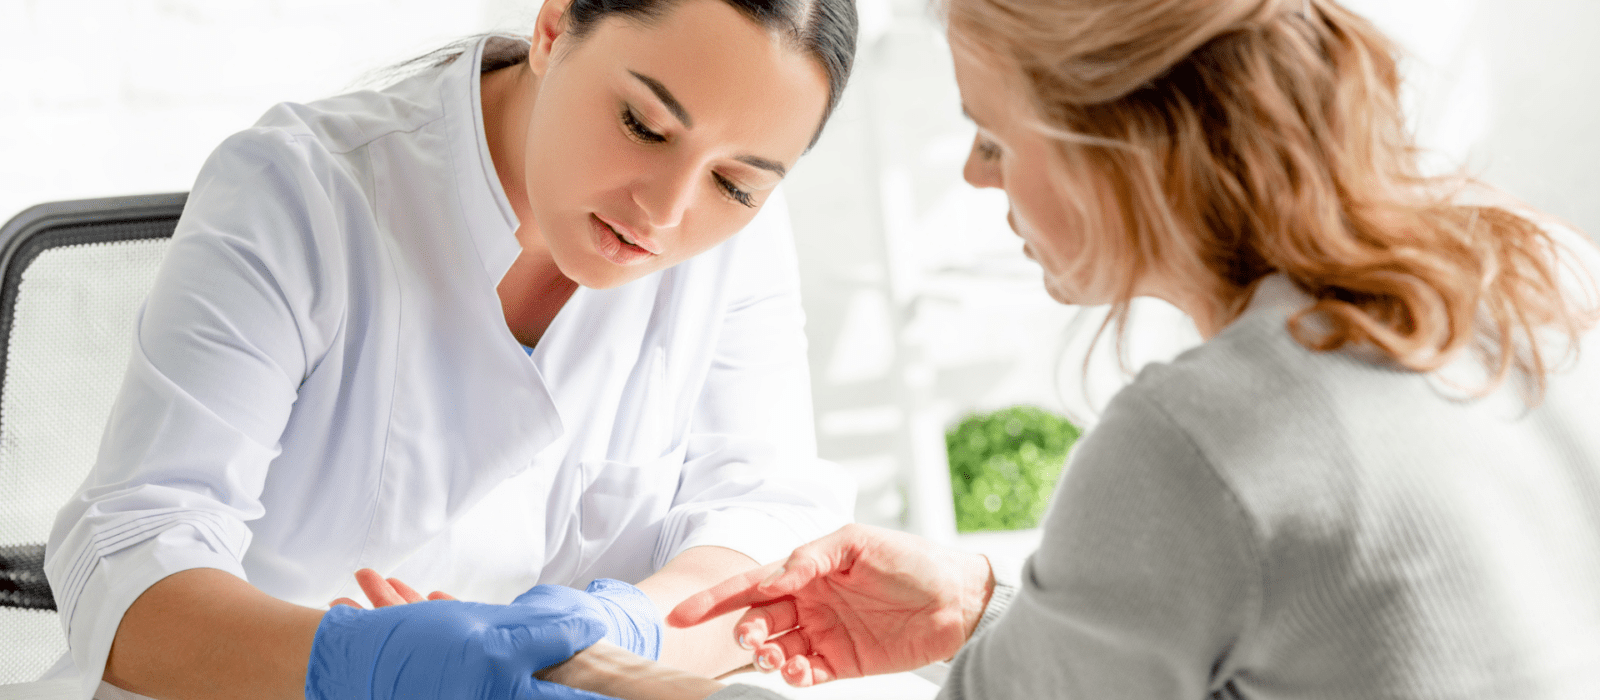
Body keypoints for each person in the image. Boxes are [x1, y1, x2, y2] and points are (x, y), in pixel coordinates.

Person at [426, 0, 1600, 697]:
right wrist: (982, 608)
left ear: (1106, 144)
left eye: (992, 135)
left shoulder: (1194, 440)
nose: (975, 175)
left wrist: (598, 675)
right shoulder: (1542, 268)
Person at [40, 0, 858, 696]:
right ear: (553, 29)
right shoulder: (299, 192)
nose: (667, 210)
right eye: (643, 126)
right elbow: (128, 556)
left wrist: (629, 628)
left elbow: (765, 519)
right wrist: (353, 665)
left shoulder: (738, 243)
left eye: (735, 184)